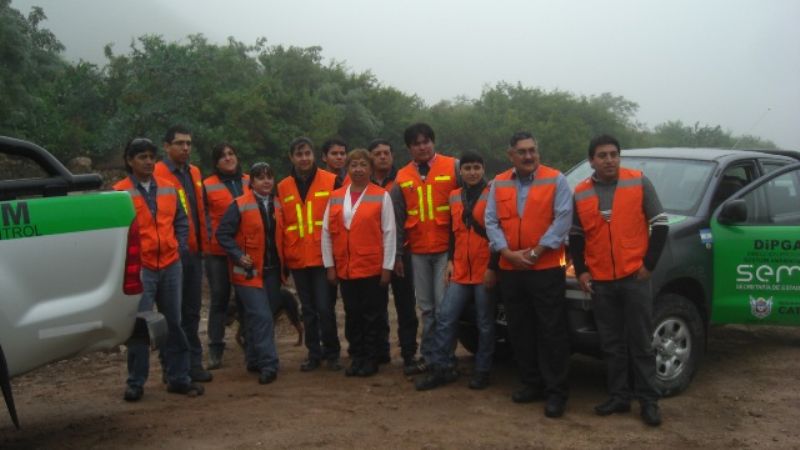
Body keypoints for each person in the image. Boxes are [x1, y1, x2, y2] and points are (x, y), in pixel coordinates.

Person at [569, 134, 668, 427]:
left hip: (634, 277)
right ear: (591, 161)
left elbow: (660, 224)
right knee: (611, 344)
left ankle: (648, 401)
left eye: (614, 154)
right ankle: (619, 396)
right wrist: (582, 270)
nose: (609, 160)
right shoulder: (581, 192)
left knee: (641, 341)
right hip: (601, 281)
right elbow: (576, 235)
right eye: (602, 155)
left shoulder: (638, 182)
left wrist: (649, 265)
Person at [485, 131, 572, 418]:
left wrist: (536, 252)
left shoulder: (556, 179)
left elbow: (563, 219)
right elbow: (491, 221)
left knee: (551, 330)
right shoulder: (499, 182)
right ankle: (531, 383)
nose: (528, 156)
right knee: (520, 329)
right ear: (510, 155)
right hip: (511, 268)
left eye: (532, 150)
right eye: (521, 151)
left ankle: (556, 392)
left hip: (546, 268)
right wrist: (507, 253)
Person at [115, 137, 204, 401]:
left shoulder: (168, 187)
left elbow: (181, 221)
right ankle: (136, 382)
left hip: (170, 263)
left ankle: (178, 378)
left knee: (173, 323)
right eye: (142, 157)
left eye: (151, 157)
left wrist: (178, 247)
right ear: (130, 161)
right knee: (140, 326)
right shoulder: (119, 192)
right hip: (141, 268)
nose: (148, 162)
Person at [415, 151, 496, 391]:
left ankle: (483, 370)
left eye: (476, 167)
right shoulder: (454, 196)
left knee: (485, 322)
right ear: (461, 171)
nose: (472, 172)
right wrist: (450, 260)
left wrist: (493, 268)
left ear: (483, 169)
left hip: (483, 269)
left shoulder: (493, 193)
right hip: (460, 269)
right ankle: (442, 368)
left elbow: (498, 234)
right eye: (467, 168)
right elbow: (453, 231)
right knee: (445, 316)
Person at [390, 123, 459, 373]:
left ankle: (445, 357)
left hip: (445, 251)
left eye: (426, 141)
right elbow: (398, 219)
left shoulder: (453, 167)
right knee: (427, 309)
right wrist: (398, 255)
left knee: (443, 308)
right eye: (416, 143)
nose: (422, 147)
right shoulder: (402, 177)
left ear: (433, 142)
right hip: (418, 251)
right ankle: (429, 357)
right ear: (409, 148)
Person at [322, 149, 396, 377]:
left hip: (372, 268)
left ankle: (371, 359)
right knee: (352, 314)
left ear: (370, 168)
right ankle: (357, 357)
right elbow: (326, 233)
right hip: (346, 269)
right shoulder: (335, 196)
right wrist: (330, 266)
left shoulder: (381, 195)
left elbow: (389, 233)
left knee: (372, 316)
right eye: (353, 165)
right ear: (347, 169)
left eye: (363, 165)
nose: (358, 169)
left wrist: (387, 268)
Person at [275, 137, 342, 371]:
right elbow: (281, 225)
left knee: (325, 308)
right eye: (299, 154)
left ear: (314, 155)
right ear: (291, 157)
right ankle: (314, 354)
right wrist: (283, 262)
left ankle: (332, 353)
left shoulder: (331, 181)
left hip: (324, 257)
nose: (304, 158)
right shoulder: (282, 187)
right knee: (308, 310)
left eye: (307, 153)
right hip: (297, 258)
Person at [154, 125, 213, 383]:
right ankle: (171, 367)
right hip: (171, 254)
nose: (185, 148)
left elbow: (200, 209)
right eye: (179, 143)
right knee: (172, 315)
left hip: (195, 252)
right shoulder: (157, 173)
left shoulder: (194, 172)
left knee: (192, 311)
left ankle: (193, 364)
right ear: (167, 146)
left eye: (188, 143)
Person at [215, 162, 281, 384]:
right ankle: (269, 364)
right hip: (248, 273)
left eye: (269, 177)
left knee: (257, 317)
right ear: (251, 182)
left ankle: (253, 359)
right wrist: (237, 255)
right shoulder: (239, 205)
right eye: (260, 178)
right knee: (262, 317)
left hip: (272, 272)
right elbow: (223, 234)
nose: (266, 181)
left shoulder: (278, 204)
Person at [368, 139, 421, 374]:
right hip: (373, 252)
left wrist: (398, 254)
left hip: (402, 251)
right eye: (377, 153)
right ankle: (380, 351)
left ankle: (409, 352)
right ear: (370, 158)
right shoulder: (361, 183)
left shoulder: (403, 179)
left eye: (386, 153)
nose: (382, 157)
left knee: (406, 304)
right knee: (376, 305)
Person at [203, 143, 249, 370]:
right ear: (216, 162)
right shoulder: (207, 185)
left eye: (231, 154)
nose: (228, 158)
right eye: (223, 156)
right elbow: (202, 217)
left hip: (244, 253)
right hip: (218, 253)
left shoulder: (250, 181)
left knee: (246, 297)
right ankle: (215, 347)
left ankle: (250, 342)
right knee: (219, 298)